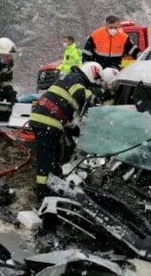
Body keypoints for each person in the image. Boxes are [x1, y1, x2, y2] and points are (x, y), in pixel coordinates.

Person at [29, 62, 105, 201]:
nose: (95, 83)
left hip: (45, 120)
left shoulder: (71, 77)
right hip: (48, 122)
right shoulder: (76, 78)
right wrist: (97, 96)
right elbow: (80, 94)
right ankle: (43, 194)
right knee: (48, 160)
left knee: (49, 158)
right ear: (92, 73)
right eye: (96, 80)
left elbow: (71, 114)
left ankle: (43, 190)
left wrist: (76, 130)